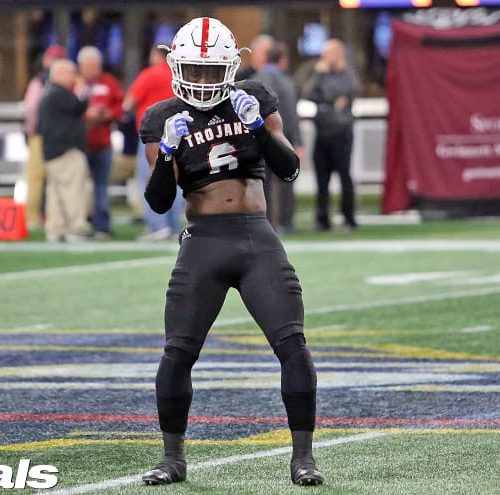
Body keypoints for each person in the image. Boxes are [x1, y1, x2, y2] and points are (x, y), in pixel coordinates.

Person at [139, 17, 323, 487]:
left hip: (255, 236)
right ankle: (173, 458)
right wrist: (166, 155)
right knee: (177, 353)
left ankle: (304, 457)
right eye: (194, 70)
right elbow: (159, 200)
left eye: (210, 70)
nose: (201, 80)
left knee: (292, 345)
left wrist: (258, 127)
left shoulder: (254, 97)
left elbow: (288, 170)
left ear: (230, 67)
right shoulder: (162, 117)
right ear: (178, 67)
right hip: (203, 241)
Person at [124, 45, 183, 241]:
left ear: (158, 55)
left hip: (154, 136)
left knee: (151, 178)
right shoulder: (179, 74)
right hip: (179, 134)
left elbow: (128, 102)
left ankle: (157, 225)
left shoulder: (150, 74)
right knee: (176, 181)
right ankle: (173, 226)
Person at [302, 38, 360, 231]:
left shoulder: (348, 75)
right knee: (322, 178)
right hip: (323, 132)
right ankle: (322, 219)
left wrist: (327, 98)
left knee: (344, 176)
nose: (324, 57)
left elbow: (345, 94)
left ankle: (348, 218)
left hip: (341, 134)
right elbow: (309, 94)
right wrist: (319, 75)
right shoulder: (321, 74)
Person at [36, 58, 91, 243]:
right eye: (71, 72)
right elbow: (79, 106)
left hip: (51, 151)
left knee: (55, 192)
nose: (74, 77)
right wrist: (83, 91)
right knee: (72, 190)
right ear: (58, 74)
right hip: (67, 150)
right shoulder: (60, 93)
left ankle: (55, 228)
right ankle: (75, 228)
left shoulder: (47, 92)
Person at [252, 41, 303, 234]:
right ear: (282, 60)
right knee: (286, 181)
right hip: (283, 138)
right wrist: (297, 142)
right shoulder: (287, 83)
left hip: (258, 138)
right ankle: (286, 222)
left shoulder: (255, 81)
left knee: (262, 183)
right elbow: (291, 115)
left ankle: (266, 222)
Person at [77, 46, 124, 239]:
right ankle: (79, 224)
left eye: (95, 65)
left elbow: (121, 108)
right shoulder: (74, 83)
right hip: (79, 144)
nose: (92, 70)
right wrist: (85, 114)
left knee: (101, 187)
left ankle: (102, 225)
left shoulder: (109, 83)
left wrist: (106, 114)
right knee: (78, 187)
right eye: (88, 66)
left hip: (103, 143)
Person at [22, 44, 67, 230]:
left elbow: (30, 110)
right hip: (43, 136)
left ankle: (47, 216)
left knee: (50, 178)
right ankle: (32, 217)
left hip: (50, 136)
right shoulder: (41, 81)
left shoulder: (55, 81)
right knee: (38, 177)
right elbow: (31, 110)